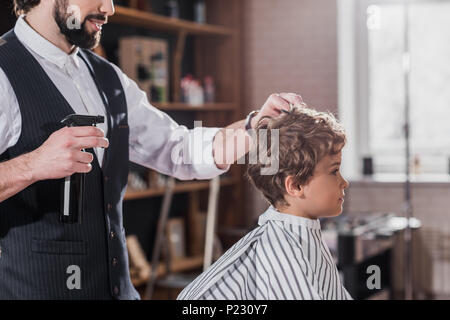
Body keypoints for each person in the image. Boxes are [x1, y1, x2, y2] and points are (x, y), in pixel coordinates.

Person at [0, 0, 303, 299]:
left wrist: (255, 126)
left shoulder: (108, 77)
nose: (109, 9)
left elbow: (177, 147)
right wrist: (32, 164)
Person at [177, 106, 352, 300]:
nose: (344, 182)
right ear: (295, 185)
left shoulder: (301, 235)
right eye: (334, 171)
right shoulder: (285, 253)